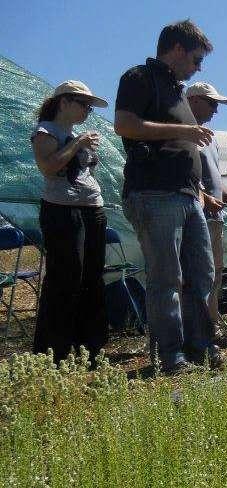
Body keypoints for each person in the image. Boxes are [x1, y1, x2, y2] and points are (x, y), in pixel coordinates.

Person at [114, 20, 220, 374]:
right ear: (176, 50)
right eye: (195, 58)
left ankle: (199, 348)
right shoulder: (139, 78)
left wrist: (201, 190)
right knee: (166, 278)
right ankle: (170, 356)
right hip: (154, 192)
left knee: (201, 273)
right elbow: (125, 125)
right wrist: (184, 129)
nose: (197, 67)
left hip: (188, 196)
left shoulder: (177, 90)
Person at [30, 80, 109, 365]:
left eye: (90, 106)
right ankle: (55, 352)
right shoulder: (46, 131)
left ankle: (91, 348)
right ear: (64, 102)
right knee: (66, 278)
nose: (88, 110)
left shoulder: (76, 133)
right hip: (62, 210)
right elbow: (48, 167)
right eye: (83, 104)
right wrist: (77, 144)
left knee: (92, 277)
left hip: (92, 208)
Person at [185, 81, 227, 350]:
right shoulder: (184, 134)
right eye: (212, 103)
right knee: (201, 275)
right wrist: (205, 197)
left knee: (215, 273)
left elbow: (212, 176)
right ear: (193, 100)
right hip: (196, 215)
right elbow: (187, 174)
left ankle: (212, 326)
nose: (216, 110)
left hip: (213, 216)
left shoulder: (208, 137)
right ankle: (202, 332)